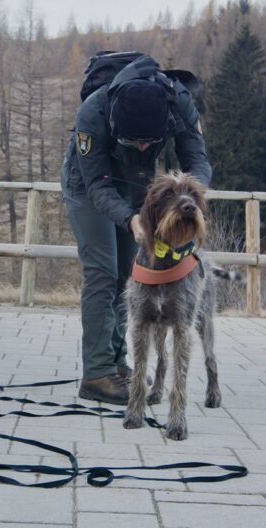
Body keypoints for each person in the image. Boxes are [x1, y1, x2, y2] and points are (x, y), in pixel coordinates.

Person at [60, 54, 212, 405]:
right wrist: (130, 220)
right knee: (103, 270)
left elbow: (198, 161)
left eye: (149, 142)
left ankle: (117, 364)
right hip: (87, 185)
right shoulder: (93, 113)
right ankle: (97, 375)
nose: (144, 148)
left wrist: (189, 195)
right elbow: (97, 185)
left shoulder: (179, 104)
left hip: (137, 186)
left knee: (129, 275)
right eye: (134, 142)